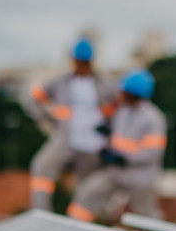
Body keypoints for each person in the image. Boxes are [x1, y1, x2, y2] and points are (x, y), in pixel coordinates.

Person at [26, 38, 118, 211]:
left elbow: (120, 107)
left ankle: (78, 224)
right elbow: (33, 99)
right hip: (66, 139)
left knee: (84, 188)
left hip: (92, 144)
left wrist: (110, 130)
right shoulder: (61, 82)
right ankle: (41, 212)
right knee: (42, 167)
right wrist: (46, 117)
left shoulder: (105, 85)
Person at [66, 69, 167, 222]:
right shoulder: (122, 111)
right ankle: (75, 227)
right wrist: (106, 140)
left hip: (141, 178)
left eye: (124, 90)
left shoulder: (153, 118)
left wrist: (124, 158)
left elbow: (152, 153)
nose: (120, 93)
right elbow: (118, 139)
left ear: (132, 93)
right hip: (117, 173)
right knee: (88, 192)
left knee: (146, 217)